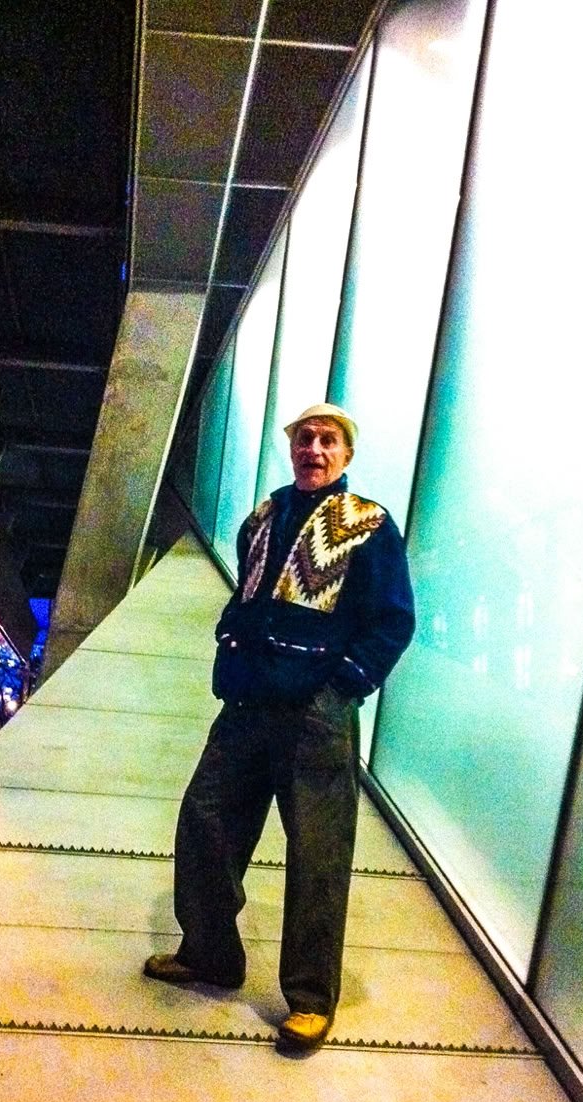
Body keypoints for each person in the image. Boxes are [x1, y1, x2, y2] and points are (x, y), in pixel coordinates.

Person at [144, 403, 415, 1049]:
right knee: (204, 822)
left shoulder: (368, 524)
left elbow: (394, 620)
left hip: (315, 717)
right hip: (246, 707)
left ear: (346, 455)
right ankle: (210, 954)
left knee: (318, 855)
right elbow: (251, 595)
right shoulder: (262, 519)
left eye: (328, 440)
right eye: (304, 438)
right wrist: (232, 641)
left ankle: (311, 999)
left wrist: (342, 684)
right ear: (291, 448)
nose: (314, 449)